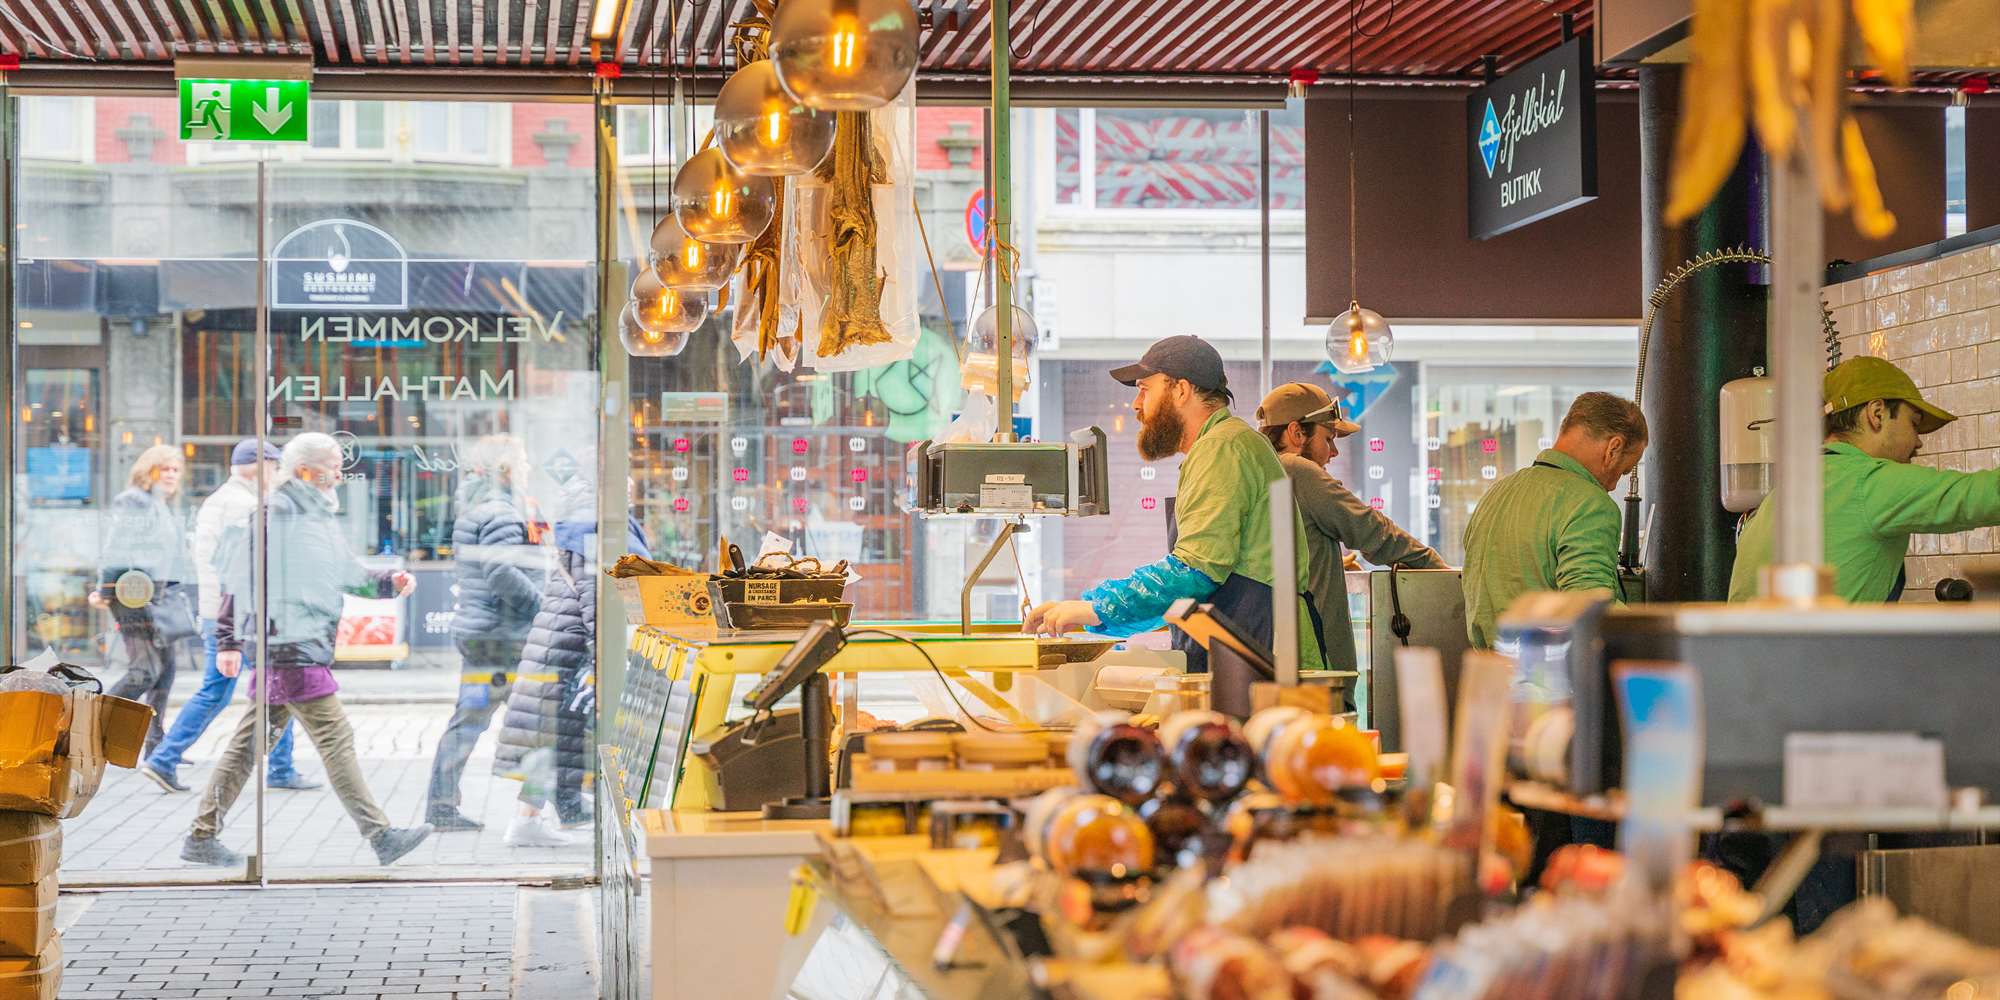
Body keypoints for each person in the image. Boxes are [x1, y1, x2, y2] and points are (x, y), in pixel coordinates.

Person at [183, 433, 433, 867]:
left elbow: (341, 571)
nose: (340, 473)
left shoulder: (311, 515)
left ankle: (202, 836)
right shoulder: (277, 514)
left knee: (247, 747)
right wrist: (227, 639)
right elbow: (239, 579)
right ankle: (381, 835)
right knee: (336, 739)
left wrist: (387, 582)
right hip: (289, 647)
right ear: (305, 471)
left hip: (296, 645)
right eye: (333, 466)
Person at [1026, 335, 1325, 673]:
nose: (1136, 405)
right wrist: (1092, 611)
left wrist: (1094, 608)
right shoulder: (1222, 445)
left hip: (1264, 658)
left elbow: (1193, 572)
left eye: (1144, 389)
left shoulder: (1222, 448)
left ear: (1181, 390)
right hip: (1248, 650)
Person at [1729, 356, 2000, 602]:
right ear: (1877, 414)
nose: (1918, 443)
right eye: (1914, 424)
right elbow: (1982, 495)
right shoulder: (1869, 482)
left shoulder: (1782, 494)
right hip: (1815, 656)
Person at [141, 439, 313, 794]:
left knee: (248, 688)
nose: (278, 473)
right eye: (274, 465)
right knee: (269, 684)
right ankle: (166, 758)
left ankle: (168, 758)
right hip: (237, 616)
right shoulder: (243, 505)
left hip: (222, 613)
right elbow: (243, 569)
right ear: (259, 465)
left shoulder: (226, 499)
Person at [492, 474, 653, 847]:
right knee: (554, 736)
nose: (630, 494)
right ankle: (527, 822)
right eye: (622, 486)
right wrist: (607, 651)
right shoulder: (592, 532)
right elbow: (596, 597)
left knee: (557, 735)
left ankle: (545, 814)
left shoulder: (581, 528)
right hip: (570, 645)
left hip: (560, 642)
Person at [1257, 382, 1447, 673]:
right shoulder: (1297, 469)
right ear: (1296, 433)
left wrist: (1330, 564)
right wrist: (1444, 573)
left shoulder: (1261, 473)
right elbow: (1373, 531)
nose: (1333, 452)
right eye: (1328, 439)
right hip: (1319, 669)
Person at [1460, 392, 1648, 649]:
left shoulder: (1497, 493)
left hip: (1489, 674)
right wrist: (1661, 638)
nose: (1615, 484)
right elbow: (1588, 606)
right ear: (1613, 448)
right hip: (1548, 680)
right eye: (1624, 470)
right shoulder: (1591, 504)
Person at [426, 435, 544, 832]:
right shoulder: (501, 511)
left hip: (485, 634)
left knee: (471, 719)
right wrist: (541, 605)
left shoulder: (480, 507)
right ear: (507, 469)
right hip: (503, 637)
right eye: (523, 461)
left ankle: (442, 805)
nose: (528, 469)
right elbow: (500, 570)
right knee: (543, 719)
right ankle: (541, 810)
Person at [93, 444, 199, 761]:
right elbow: (116, 547)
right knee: (145, 671)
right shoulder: (134, 501)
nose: (170, 475)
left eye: (175, 470)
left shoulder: (163, 505)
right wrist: (106, 588)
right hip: (133, 597)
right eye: (163, 469)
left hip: (159, 598)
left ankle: (157, 745)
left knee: (165, 670)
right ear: (147, 471)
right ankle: (90, 729)